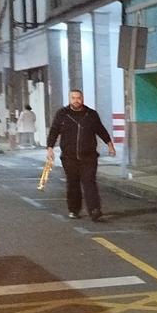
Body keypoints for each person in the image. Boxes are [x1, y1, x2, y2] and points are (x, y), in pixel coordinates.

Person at [46, 89, 116, 221]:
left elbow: (100, 130)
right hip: (69, 157)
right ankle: (74, 209)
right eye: (73, 98)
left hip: (89, 156)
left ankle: (94, 209)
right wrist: (49, 148)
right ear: (69, 99)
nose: (76, 100)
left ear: (82, 99)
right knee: (73, 184)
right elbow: (54, 131)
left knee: (89, 182)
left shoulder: (91, 114)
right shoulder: (62, 114)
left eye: (78, 98)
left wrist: (110, 145)